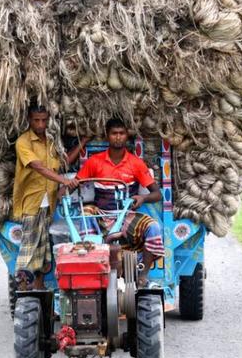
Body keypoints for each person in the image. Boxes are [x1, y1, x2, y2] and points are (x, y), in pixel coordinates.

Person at [60, 118, 164, 287]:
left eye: (121, 133)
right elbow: (70, 188)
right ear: (108, 136)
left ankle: (143, 274)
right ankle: (90, 267)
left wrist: (143, 198)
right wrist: (66, 189)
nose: (118, 137)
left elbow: (157, 194)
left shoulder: (135, 163)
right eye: (114, 134)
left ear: (126, 136)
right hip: (100, 213)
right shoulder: (95, 161)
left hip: (126, 215)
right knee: (85, 213)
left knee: (153, 228)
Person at [13, 103, 89, 290]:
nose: (40, 124)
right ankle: (23, 290)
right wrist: (63, 181)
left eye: (44, 120)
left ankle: (39, 291)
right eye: (36, 120)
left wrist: (85, 140)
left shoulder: (51, 142)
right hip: (32, 202)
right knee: (29, 246)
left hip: (50, 203)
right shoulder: (23, 142)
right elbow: (38, 167)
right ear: (29, 120)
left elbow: (63, 163)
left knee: (43, 248)